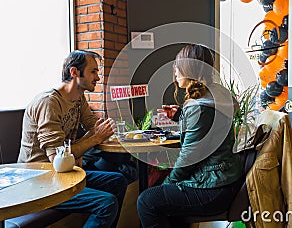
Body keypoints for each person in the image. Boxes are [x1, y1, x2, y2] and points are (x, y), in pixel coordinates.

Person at [137, 44, 244, 227]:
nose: (175, 72)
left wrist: (168, 184)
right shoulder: (216, 94)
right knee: (162, 196)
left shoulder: (200, 107)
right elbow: (209, 129)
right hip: (225, 178)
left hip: (215, 188)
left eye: (178, 66)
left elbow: (189, 157)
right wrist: (181, 116)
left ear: (190, 68)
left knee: (146, 201)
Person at [18, 50, 128, 228]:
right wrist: (95, 137)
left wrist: (108, 132)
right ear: (74, 72)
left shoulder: (78, 99)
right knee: (106, 203)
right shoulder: (49, 103)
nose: (98, 78)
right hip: (38, 181)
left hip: (62, 174)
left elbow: (93, 126)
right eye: (93, 72)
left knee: (118, 181)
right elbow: (57, 159)